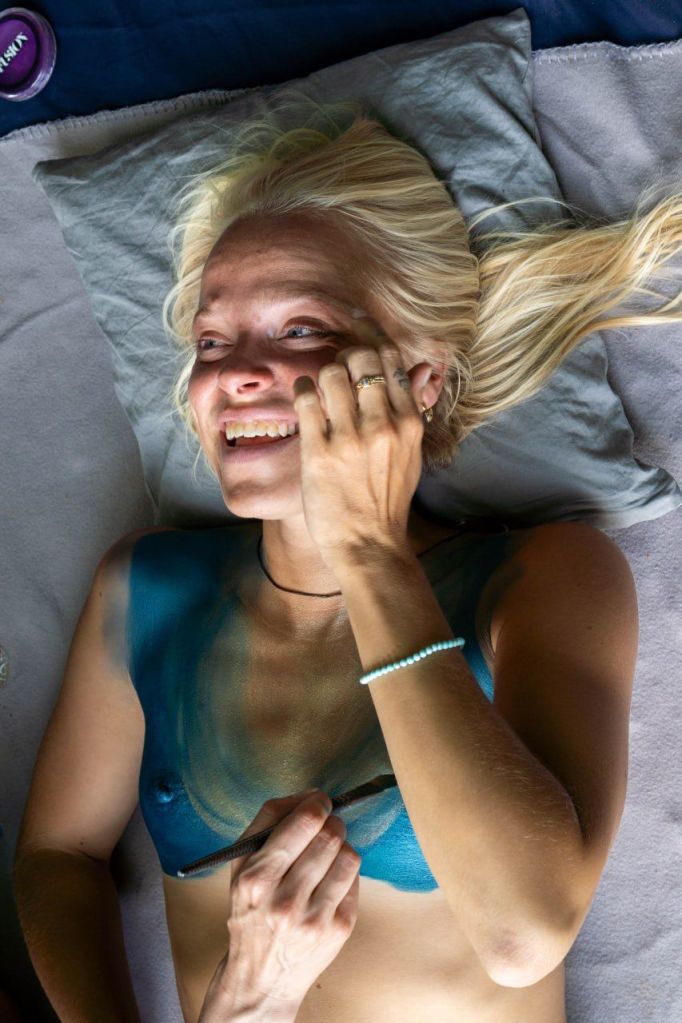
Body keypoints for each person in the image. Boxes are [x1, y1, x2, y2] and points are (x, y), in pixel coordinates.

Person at [12, 97, 682, 1023]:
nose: (231, 374)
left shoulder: (541, 580)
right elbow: (58, 855)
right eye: (211, 341)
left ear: (419, 380)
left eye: (299, 331)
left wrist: (368, 551)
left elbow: (524, 931)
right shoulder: (147, 588)